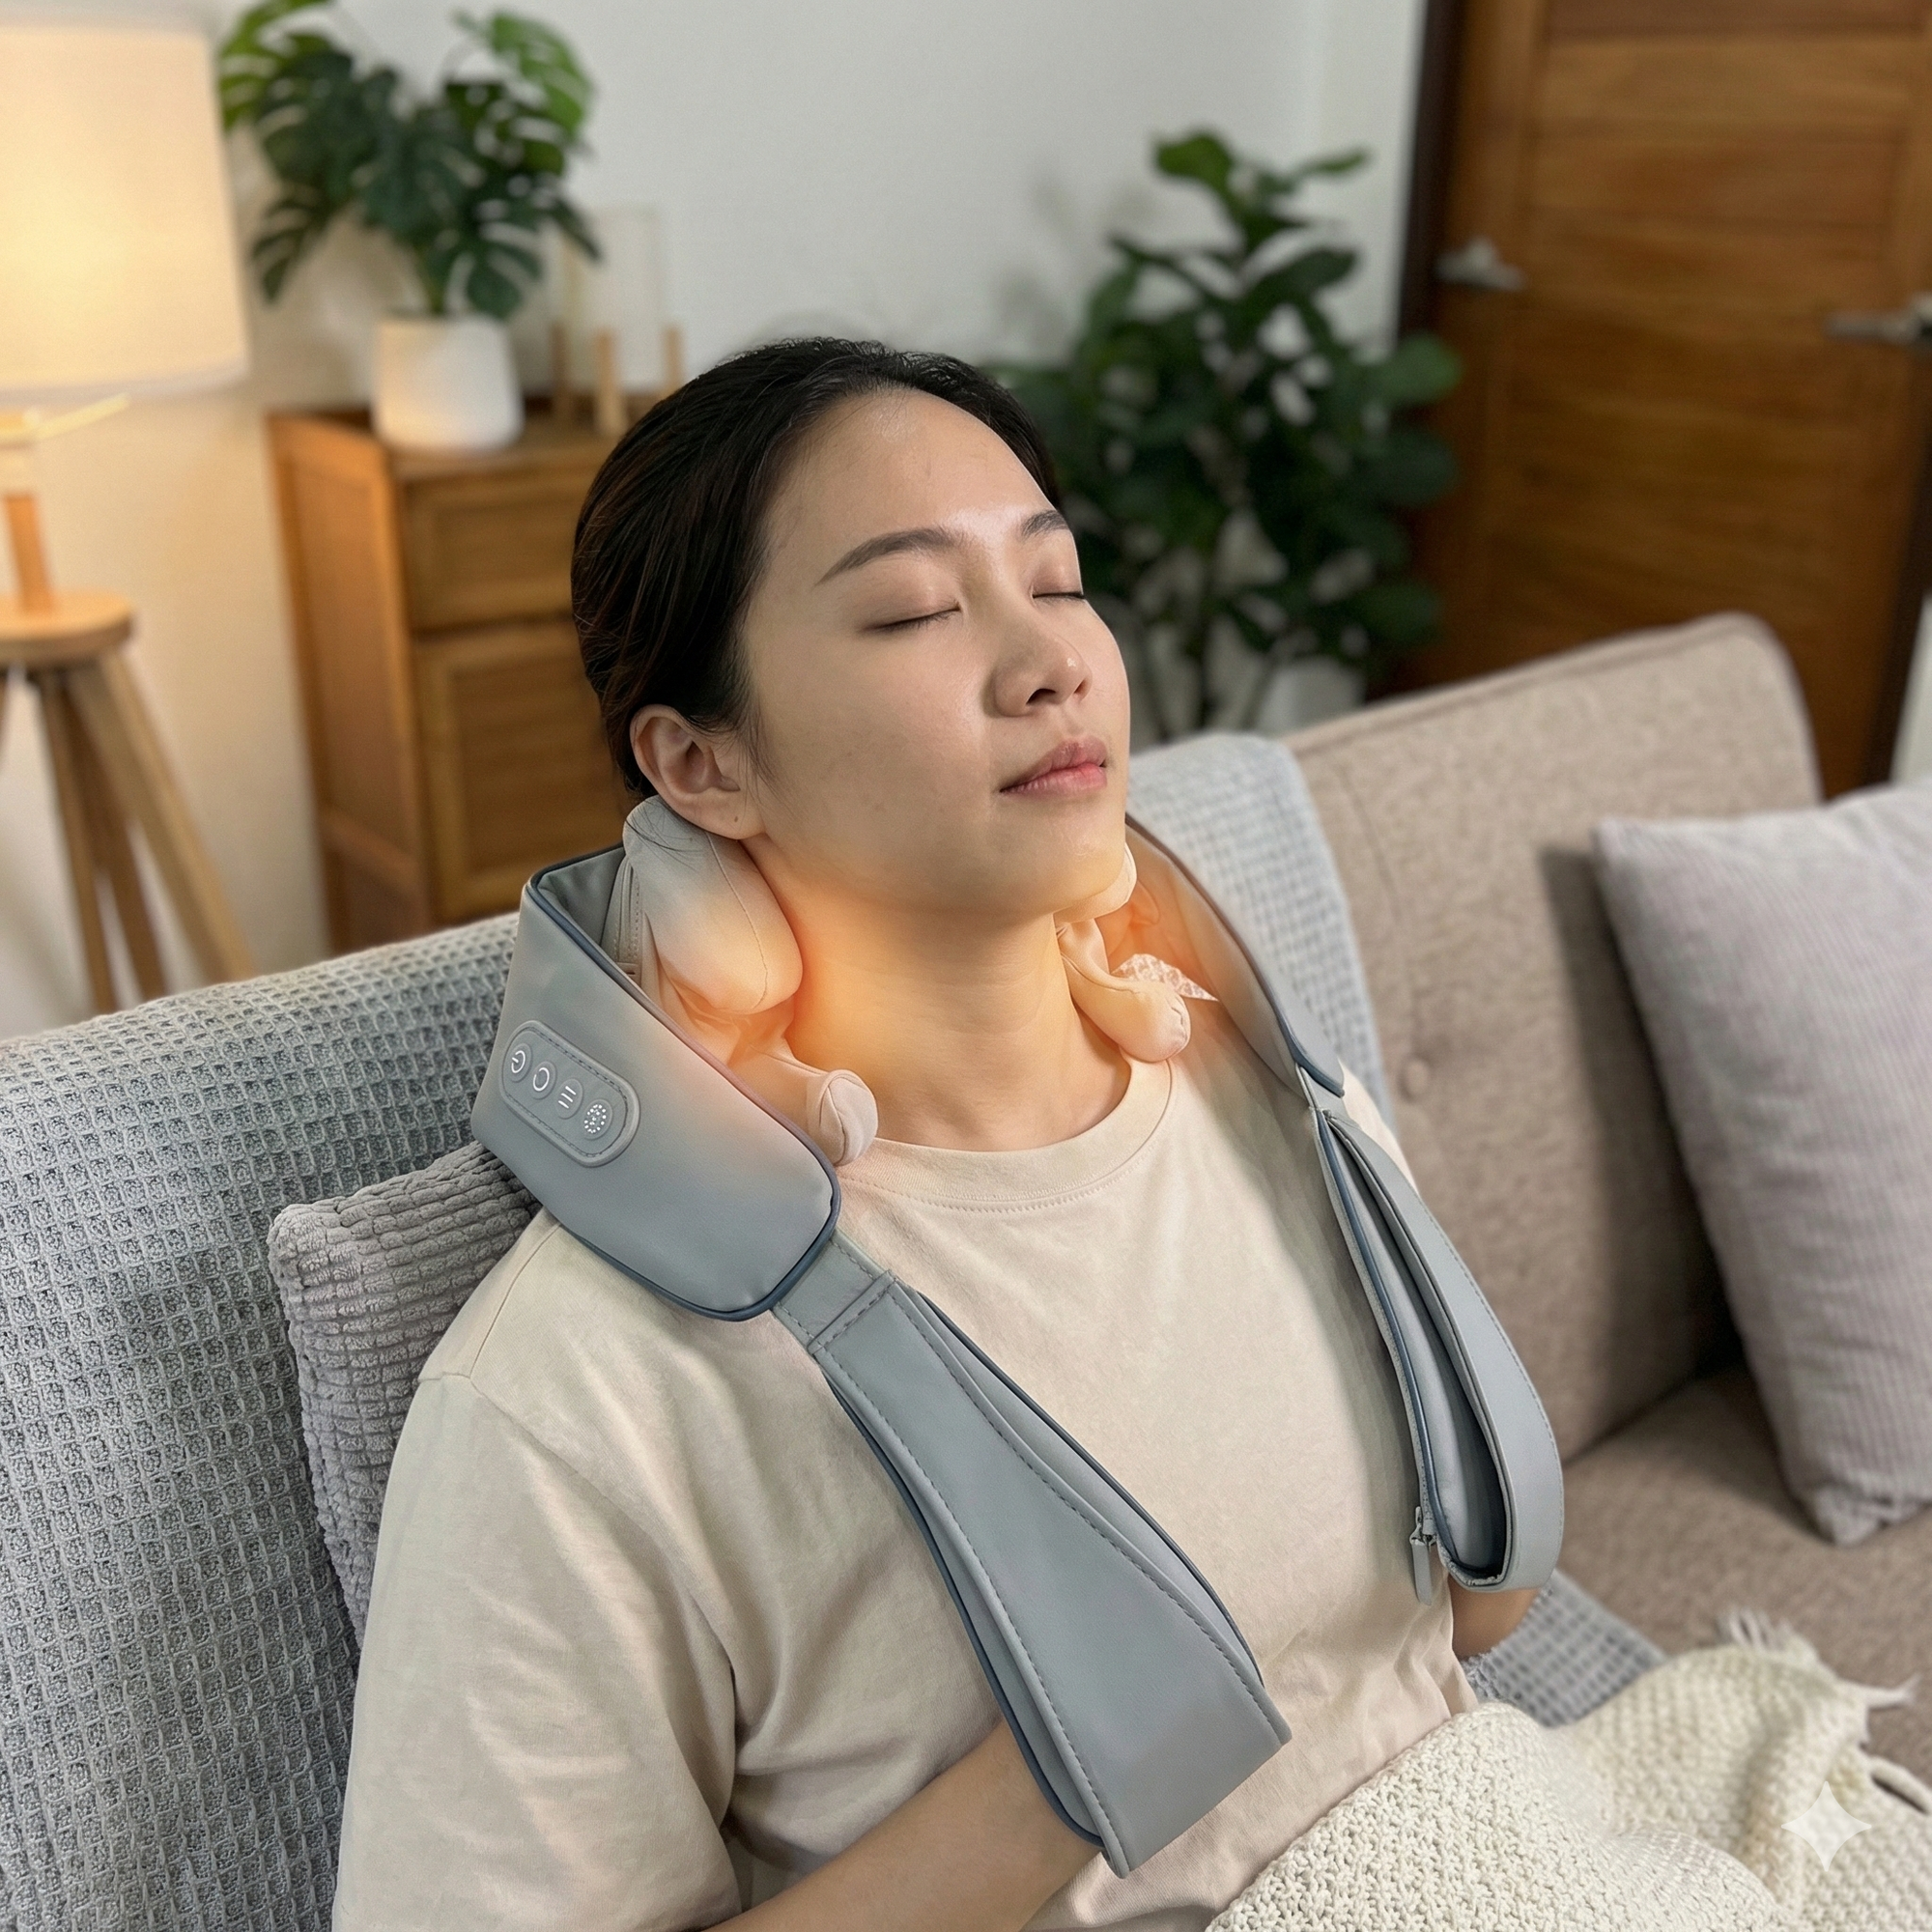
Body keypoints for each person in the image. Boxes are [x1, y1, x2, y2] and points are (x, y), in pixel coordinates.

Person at [331, 337, 1539, 1932]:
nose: (1051, 662)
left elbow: (1471, 1620)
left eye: (1062, 581)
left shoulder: (1275, 1098)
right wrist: (1063, 1774)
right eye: (912, 608)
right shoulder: (584, 1398)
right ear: (704, 762)